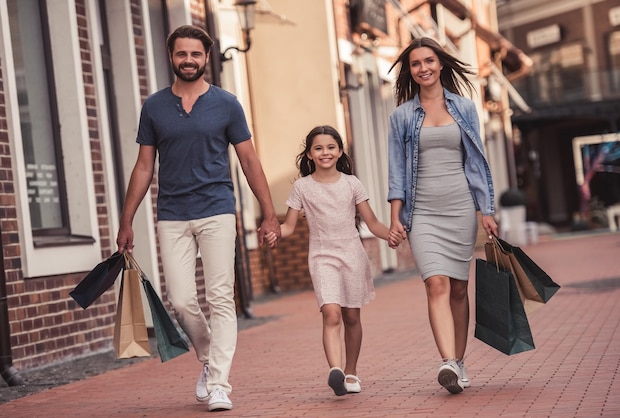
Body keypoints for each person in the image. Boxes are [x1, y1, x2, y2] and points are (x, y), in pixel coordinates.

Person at [115, 25, 280, 412]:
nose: (188, 60)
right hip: (172, 213)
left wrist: (269, 213)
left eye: (195, 54)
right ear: (170, 57)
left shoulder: (227, 104)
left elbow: (249, 160)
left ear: (206, 58)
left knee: (221, 297)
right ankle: (209, 358)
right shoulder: (154, 106)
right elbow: (143, 167)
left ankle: (219, 381)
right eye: (181, 54)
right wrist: (126, 221)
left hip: (217, 209)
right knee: (181, 299)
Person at [386, 37, 498, 394]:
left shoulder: (464, 108)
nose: (424, 68)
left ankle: (460, 362)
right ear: (411, 71)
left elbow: (477, 163)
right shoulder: (402, 116)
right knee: (436, 283)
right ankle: (447, 360)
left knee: (460, 289)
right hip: (423, 213)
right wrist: (395, 217)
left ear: (441, 64)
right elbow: (396, 172)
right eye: (416, 63)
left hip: (460, 206)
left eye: (429, 60)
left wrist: (487, 209)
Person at [265, 125, 404, 396]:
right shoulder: (302, 188)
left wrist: (391, 235)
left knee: (352, 316)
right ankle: (335, 370)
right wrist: (274, 232)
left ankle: (351, 372)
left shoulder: (352, 183)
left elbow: (372, 221)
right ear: (309, 155)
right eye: (318, 148)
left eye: (331, 147)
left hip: (352, 255)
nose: (325, 152)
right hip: (321, 257)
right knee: (331, 312)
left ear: (340, 151)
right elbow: (290, 226)